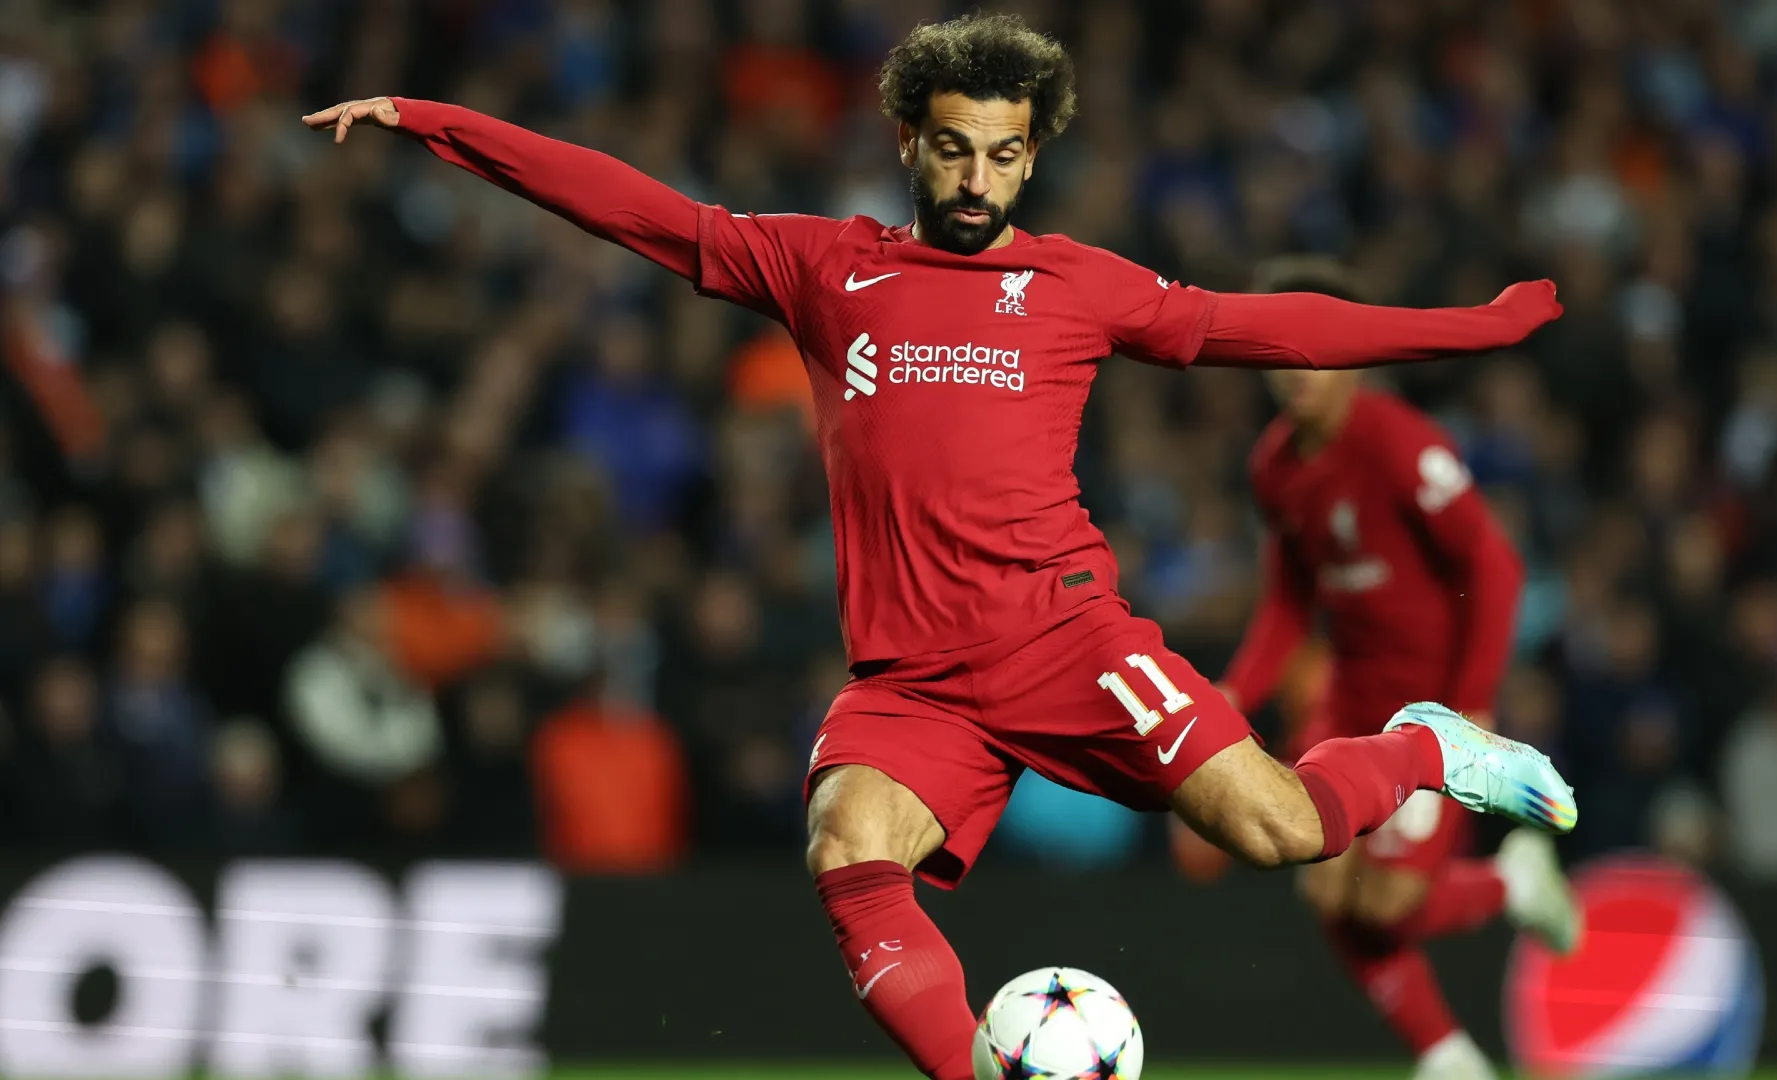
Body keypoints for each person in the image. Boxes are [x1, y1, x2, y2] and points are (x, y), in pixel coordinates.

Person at [303, 14, 1575, 1079]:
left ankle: (1427, 747)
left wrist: (1472, 327)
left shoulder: (1079, 285)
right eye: (955, 149)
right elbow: (636, 210)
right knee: (846, 842)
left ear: (1032, 158)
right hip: (914, 681)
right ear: (909, 140)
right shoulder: (826, 268)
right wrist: (432, 120)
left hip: (1066, 640)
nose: (977, 180)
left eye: (1004, 156)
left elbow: (1274, 326)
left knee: (1285, 830)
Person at [1208, 258, 1582, 1080]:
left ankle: (1511, 885)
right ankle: (1447, 1056)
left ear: (1355, 356)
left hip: (1435, 712)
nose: (1297, 371)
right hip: (1349, 699)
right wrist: (1235, 693)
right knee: (1320, 879)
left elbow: (1494, 565)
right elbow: (1289, 601)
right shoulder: (1274, 468)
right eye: (1277, 353)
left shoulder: (1399, 444)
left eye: (1316, 351)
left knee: (1386, 903)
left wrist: (1473, 706)